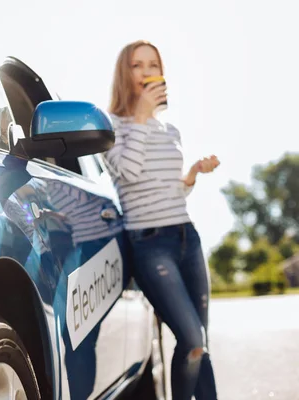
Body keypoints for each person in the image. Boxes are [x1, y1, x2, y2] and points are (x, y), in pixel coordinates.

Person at [101, 40, 220, 400]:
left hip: (187, 237)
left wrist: (193, 174)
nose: (148, 71)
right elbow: (127, 172)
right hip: (150, 245)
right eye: (138, 65)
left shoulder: (170, 132)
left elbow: (169, 192)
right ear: (126, 73)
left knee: (200, 342)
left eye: (154, 64)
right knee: (192, 338)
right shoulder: (112, 126)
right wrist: (139, 116)